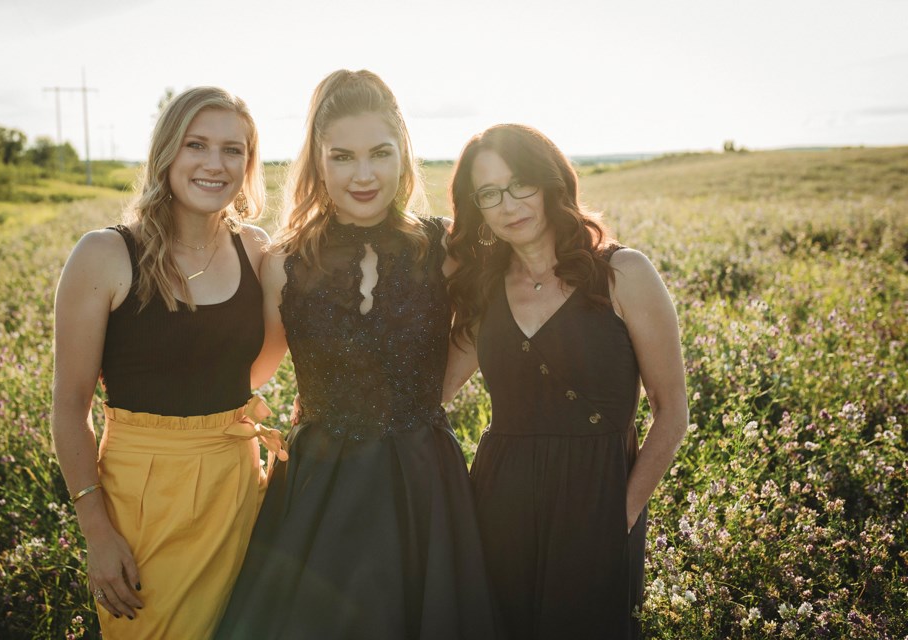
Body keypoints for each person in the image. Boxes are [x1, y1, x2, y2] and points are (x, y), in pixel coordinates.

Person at [215, 70, 498, 640]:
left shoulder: (447, 249)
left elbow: (477, 328)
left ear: (403, 154)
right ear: (318, 162)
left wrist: (423, 398)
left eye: (379, 153)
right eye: (342, 157)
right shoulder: (283, 262)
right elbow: (259, 368)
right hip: (321, 485)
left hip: (423, 481)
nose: (363, 175)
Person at [50, 86, 288, 640]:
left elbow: (255, 367)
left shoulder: (257, 250)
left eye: (233, 150)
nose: (214, 164)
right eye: (196, 145)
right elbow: (68, 408)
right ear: (167, 154)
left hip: (237, 482)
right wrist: (97, 532)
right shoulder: (104, 254)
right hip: (141, 495)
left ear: (248, 164)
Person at [443, 124, 689, 639]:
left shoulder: (624, 273)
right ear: (477, 207)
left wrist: (618, 514)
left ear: (551, 181)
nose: (509, 204)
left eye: (520, 184)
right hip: (499, 501)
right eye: (489, 193)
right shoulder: (484, 290)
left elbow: (672, 413)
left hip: (597, 499)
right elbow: (431, 394)